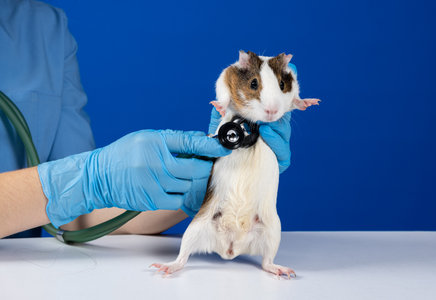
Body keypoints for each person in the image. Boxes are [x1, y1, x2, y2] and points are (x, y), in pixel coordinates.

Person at [0, 0, 292, 239]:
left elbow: (77, 214)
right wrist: (89, 179)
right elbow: (75, 185)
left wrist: (214, 177)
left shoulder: (43, 27)